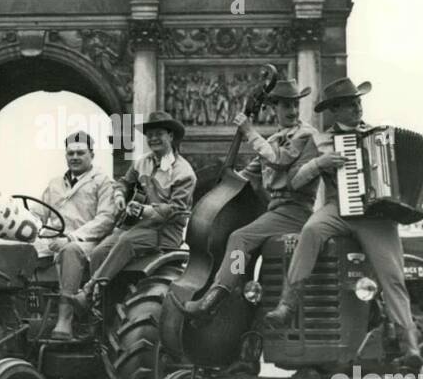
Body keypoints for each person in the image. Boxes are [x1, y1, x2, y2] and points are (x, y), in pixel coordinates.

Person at [262, 79, 423, 369]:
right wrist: (319, 164)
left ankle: (410, 347)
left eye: (358, 102)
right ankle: (287, 304)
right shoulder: (320, 141)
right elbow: (296, 181)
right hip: (338, 208)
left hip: (375, 215)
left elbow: (410, 175)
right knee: (311, 230)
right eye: (349, 104)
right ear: (334, 111)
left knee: (392, 275)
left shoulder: (380, 136)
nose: (357, 108)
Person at [182, 80, 317, 322]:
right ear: (273, 108)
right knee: (241, 243)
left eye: (295, 105)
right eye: (286, 105)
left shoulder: (306, 134)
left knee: (239, 238)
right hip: (276, 212)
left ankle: (216, 296)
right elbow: (246, 175)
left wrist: (249, 132)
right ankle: (237, 299)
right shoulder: (275, 138)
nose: (293, 111)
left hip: (294, 212)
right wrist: (222, 187)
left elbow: (278, 160)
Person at [67, 112, 195, 312]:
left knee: (126, 242)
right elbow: (124, 182)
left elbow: (177, 210)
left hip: (166, 231)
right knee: (100, 251)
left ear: (171, 136)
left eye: (159, 133)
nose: (153, 138)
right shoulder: (142, 162)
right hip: (139, 227)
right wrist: (119, 195)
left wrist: (146, 210)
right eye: (150, 134)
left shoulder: (184, 173)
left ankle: (89, 291)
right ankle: (101, 309)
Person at [38, 131, 117, 339]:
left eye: (80, 153)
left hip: (87, 243)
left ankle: (64, 320)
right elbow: (39, 211)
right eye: (70, 153)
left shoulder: (102, 182)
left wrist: (73, 237)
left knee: (71, 250)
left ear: (92, 154)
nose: (74, 157)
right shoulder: (55, 183)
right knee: (22, 251)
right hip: (54, 240)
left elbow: (106, 219)